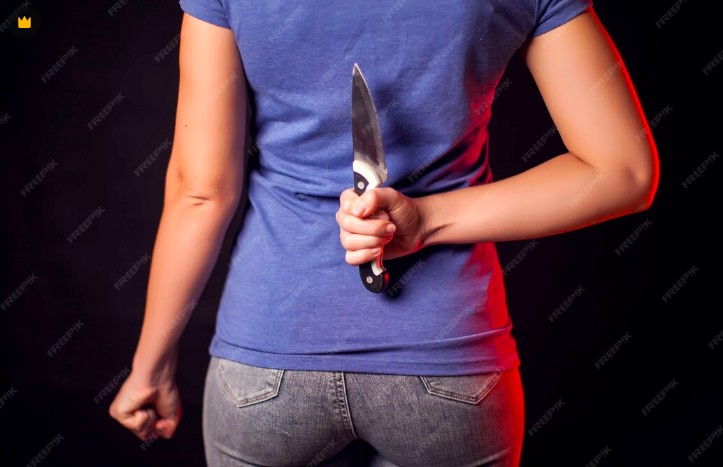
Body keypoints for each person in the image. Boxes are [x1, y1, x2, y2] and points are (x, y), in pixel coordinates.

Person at [109, 0, 659, 465]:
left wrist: (149, 369)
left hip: (267, 364)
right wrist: (431, 219)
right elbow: (623, 172)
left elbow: (200, 193)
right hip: (450, 365)